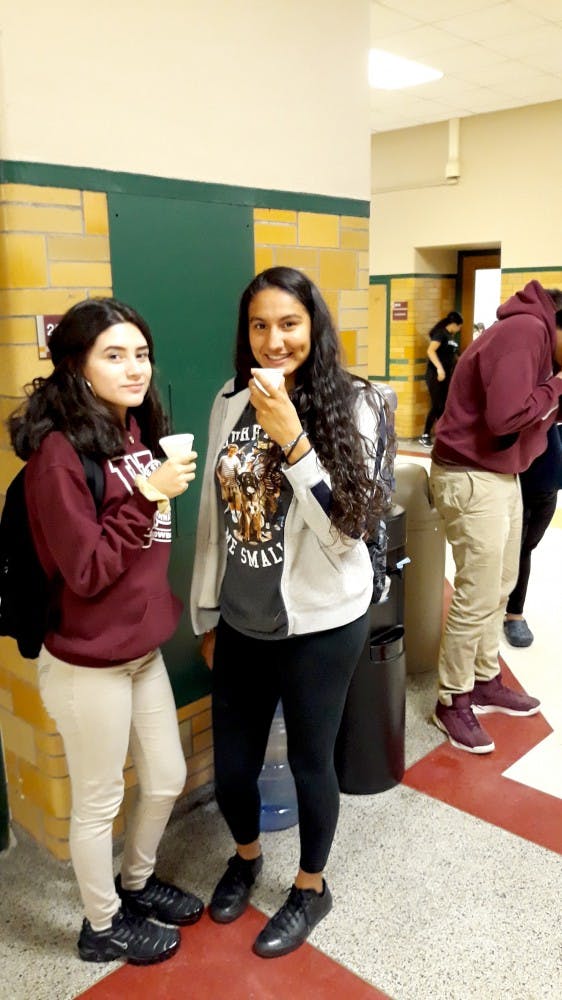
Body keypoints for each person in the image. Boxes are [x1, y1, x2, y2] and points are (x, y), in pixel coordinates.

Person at [190, 266, 393, 958]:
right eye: (259, 326)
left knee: (311, 761)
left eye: (289, 324)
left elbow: (348, 531)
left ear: (314, 326)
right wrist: (208, 614)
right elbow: (214, 518)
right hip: (243, 620)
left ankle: (310, 886)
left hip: (322, 623)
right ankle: (246, 858)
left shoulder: (357, 403)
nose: (273, 340)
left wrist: (294, 438)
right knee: (235, 764)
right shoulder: (227, 399)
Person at [8, 298, 203, 964]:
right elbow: (87, 571)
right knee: (98, 801)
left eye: (141, 354)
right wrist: (148, 496)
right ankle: (102, 926)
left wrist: (153, 488)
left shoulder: (136, 433)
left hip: (140, 652)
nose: (134, 369)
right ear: (76, 366)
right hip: (86, 662)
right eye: (114, 356)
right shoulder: (58, 458)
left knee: (168, 776)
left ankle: (136, 884)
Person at [429, 281, 562, 754]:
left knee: (502, 583)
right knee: (477, 591)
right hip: (469, 474)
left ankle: (484, 678)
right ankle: (452, 700)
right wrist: (557, 387)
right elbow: (507, 418)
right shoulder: (527, 330)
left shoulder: (538, 334)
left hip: (497, 472)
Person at [503, 421, 562, 646]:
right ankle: (511, 612)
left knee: (524, 548)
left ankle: (512, 609)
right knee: (512, 547)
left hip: (547, 483)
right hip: (515, 478)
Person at [418, 311, 463, 447]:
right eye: (459, 326)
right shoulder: (440, 333)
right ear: (454, 324)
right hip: (435, 375)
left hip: (446, 376)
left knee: (443, 406)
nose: (459, 329)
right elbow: (430, 351)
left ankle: (443, 434)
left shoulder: (451, 337)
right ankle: (425, 434)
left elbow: (454, 356)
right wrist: (439, 368)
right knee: (437, 405)